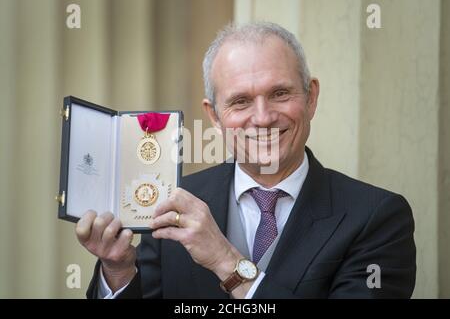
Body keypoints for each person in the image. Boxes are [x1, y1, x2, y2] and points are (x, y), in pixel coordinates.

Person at [76, 22, 416, 299]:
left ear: (311, 98)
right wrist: (118, 271)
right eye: (240, 101)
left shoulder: (378, 217)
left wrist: (226, 261)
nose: (263, 117)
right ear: (214, 116)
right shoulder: (174, 201)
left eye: (280, 93)